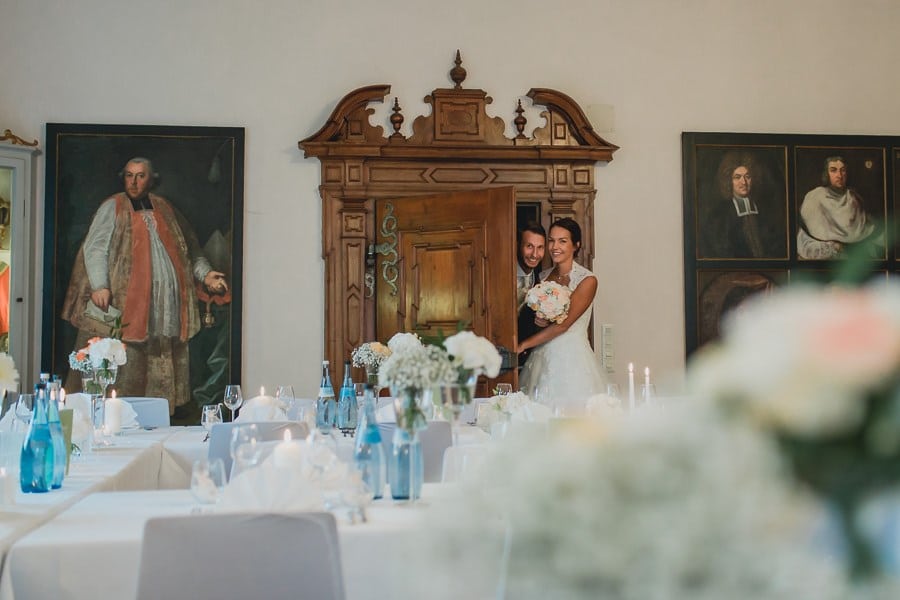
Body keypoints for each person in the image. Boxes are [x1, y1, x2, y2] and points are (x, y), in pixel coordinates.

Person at [61, 157, 228, 414]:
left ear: (152, 180)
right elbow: (95, 247)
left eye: (140, 176)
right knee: (125, 359)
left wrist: (206, 275)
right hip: (126, 299)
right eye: (129, 175)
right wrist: (100, 285)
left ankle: (156, 414)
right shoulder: (113, 206)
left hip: (165, 305)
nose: (134, 182)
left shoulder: (165, 208)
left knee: (158, 355)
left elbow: (190, 249)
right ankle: (119, 416)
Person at [517, 218, 606, 415]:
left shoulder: (587, 280)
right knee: (537, 415)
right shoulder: (542, 276)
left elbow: (563, 325)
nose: (554, 247)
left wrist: (523, 345)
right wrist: (539, 322)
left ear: (576, 245)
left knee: (573, 417)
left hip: (571, 357)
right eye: (551, 240)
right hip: (541, 356)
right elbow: (536, 319)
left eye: (562, 241)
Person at [797, 156, 883, 259]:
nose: (839, 175)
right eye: (833, 170)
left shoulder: (854, 198)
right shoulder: (815, 197)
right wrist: (834, 247)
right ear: (826, 173)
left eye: (843, 170)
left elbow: (866, 229)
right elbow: (806, 242)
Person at [700, 152, 782, 258]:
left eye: (747, 176)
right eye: (737, 177)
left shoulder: (764, 211)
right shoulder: (720, 215)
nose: (743, 182)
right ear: (729, 180)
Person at [516, 222, 546, 368]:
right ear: (518, 245)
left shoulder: (542, 279)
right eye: (529, 246)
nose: (535, 254)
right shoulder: (501, 274)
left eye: (540, 248)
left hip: (526, 358)